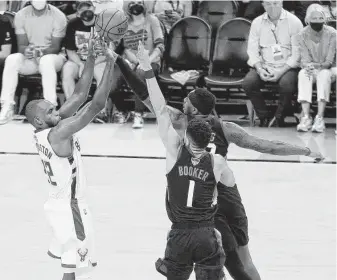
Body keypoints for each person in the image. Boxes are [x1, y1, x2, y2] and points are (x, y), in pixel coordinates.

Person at [114, 44, 324, 280]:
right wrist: (305, 150)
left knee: (209, 254)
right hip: (227, 192)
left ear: (193, 109)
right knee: (244, 261)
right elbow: (268, 146)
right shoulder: (227, 128)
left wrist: (121, 62)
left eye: (186, 100)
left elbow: (146, 96)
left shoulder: (180, 122)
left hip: (202, 199)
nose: (183, 102)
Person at [137, 40, 231, 280]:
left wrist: (147, 69)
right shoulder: (218, 161)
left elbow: (159, 109)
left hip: (179, 235)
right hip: (206, 235)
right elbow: (222, 191)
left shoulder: (175, 152)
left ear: (186, 137)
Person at [25, 35, 117, 280]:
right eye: (51, 110)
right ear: (39, 119)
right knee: (74, 266)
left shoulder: (45, 129)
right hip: (70, 206)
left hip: (56, 204)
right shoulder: (58, 132)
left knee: (69, 260)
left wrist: (90, 57)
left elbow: (78, 95)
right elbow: (96, 105)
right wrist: (110, 63)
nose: (57, 109)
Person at [0, 0, 67, 125]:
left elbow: (55, 47)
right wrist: (28, 50)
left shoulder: (59, 16)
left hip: (53, 58)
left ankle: (50, 109)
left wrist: (40, 52)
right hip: (30, 59)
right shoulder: (21, 15)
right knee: (12, 59)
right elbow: (22, 45)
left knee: (46, 61)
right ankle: (7, 106)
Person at [243, 0, 303, 128]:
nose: (272, 7)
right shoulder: (257, 22)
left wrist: (281, 71)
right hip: (265, 65)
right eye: (268, 4)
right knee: (248, 83)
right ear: (263, 5)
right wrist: (259, 68)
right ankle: (264, 117)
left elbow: (297, 54)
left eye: (275, 3)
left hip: (288, 67)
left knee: (286, 85)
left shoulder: (294, 22)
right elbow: (252, 50)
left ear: (281, 3)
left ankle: (278, 117)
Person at [62, 0, 123, 123]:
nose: (86, 12)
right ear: (78, 13)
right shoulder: (72, 24)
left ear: (94, 9)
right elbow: (69, 50)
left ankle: (100, 111)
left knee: (102, 75)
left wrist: (90, 65)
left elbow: (110, 51)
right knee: (67, 70)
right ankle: (72, 109)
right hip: (78, 60)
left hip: (99, 60)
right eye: (82, 9)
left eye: (88, 8)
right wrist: (80, 64)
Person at [114, 0, 164, 128]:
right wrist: (133, 61)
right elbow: (123, 47)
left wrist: (146, 61)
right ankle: (123, 110)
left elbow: (160, 46)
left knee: (140, 73)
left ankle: (138, 113)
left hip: (151, 61)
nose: (136, 4)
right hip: (131, 61)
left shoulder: (152, 20)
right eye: (132, 2)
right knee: (112, 78)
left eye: (139, 1)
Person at [296, 3, 336, 133]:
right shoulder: (302, 34)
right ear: (308, 20)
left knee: (323, 75)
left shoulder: (332, 33)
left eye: (320, 19)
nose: (317, 22)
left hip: (330, 69)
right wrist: (308, 66)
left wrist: (315, 66)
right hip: (312, 68)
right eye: (313, 19)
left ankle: (320, 117)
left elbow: (329, 61)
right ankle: (306, 117)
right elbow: (304, 57)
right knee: (303, 74)